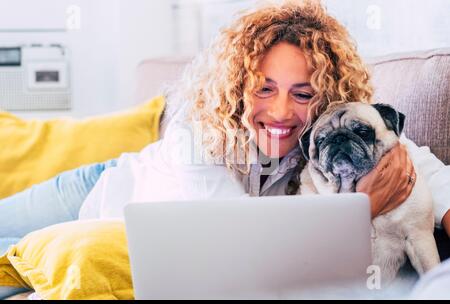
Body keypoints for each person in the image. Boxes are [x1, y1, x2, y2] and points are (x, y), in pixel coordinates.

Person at [1, 0, 449, 243]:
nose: (279, 112)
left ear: (327, 97)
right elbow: (244, 244)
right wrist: (361, 209)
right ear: (238, 89)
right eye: (264, 88)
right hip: (100, 191)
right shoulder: (197, 135)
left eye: (303, 94)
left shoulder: (337, 133)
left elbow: (420, 168)